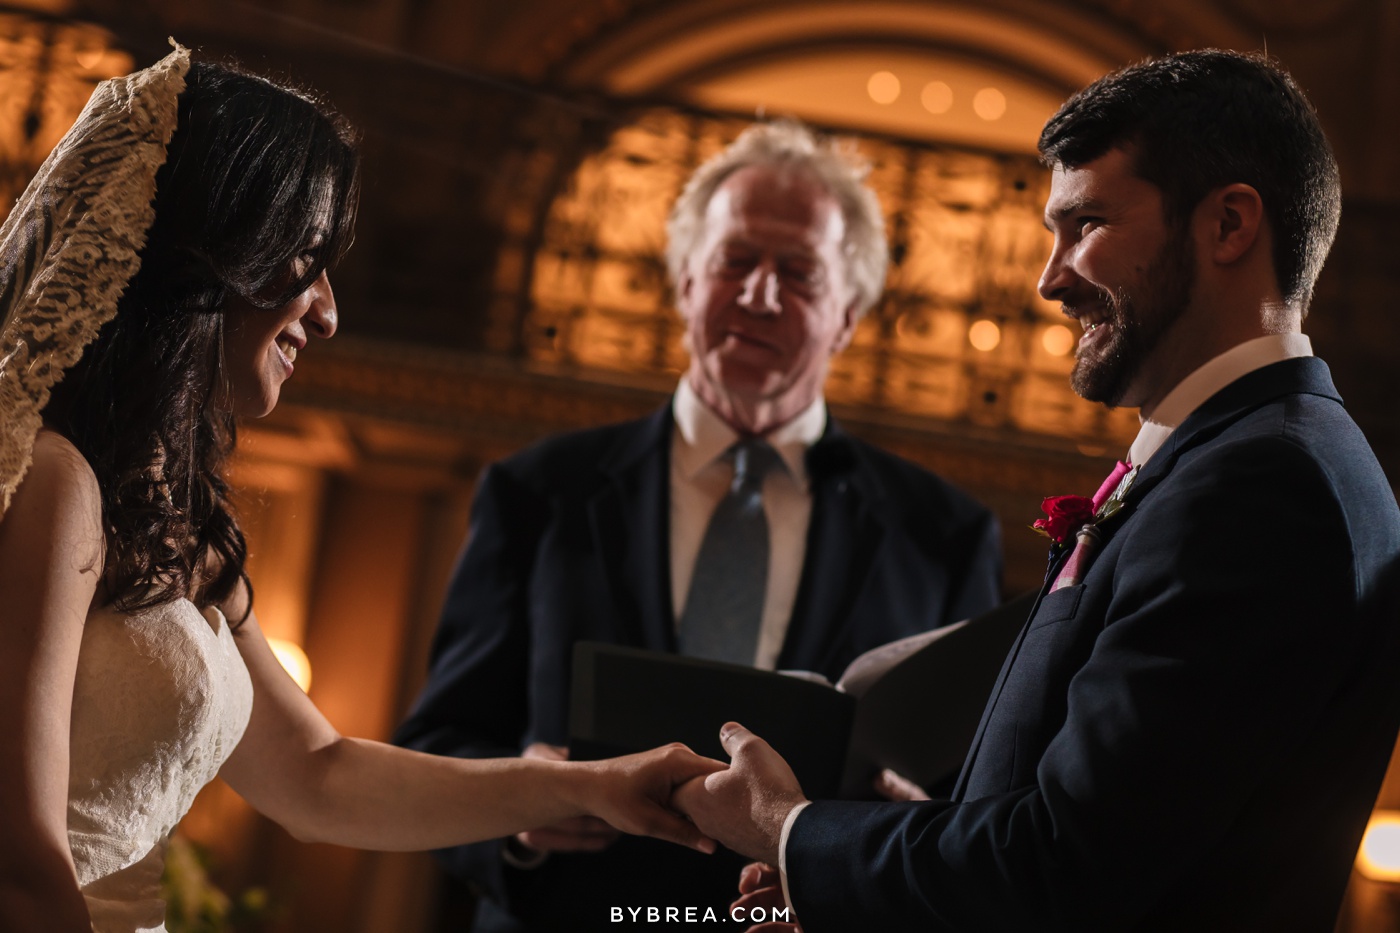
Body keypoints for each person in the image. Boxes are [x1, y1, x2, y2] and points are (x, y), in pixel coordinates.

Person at [0, 48, 724, 933]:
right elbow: (19, 864)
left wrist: (592, 784)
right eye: (305, 258)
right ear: (208, 259)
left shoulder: (178, 522)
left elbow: (319, 775)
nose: (330, 310)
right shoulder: (52, 479)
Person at [675, 49, 1400, 932]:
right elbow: (1104, 824)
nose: (1049, 278)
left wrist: (786, 830)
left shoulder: (1263, 483)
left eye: (1085, 223)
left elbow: (1065, 867)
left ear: (1229, 224)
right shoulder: (1232, 456)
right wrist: (870, 870)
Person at [393, 121, 1002, 931]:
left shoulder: (943, 534)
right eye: (735, 261)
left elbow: (967, 799)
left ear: (849, 315)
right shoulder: (539, 490)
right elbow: (441, 738)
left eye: (798, 272)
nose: (759, 294)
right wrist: (514, 797)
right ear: (685, 280)